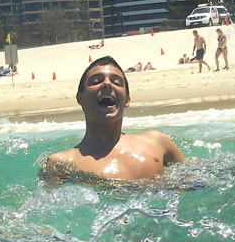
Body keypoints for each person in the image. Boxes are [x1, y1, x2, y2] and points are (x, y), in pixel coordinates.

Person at [40, 56, 185, 183]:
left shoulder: (157, 142)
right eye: (96, 81)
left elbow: (193, 182)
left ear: (127, 100)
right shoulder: (60, 164)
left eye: (116, 81)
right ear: (80, 98)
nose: (107, 84)